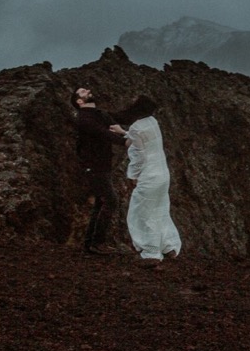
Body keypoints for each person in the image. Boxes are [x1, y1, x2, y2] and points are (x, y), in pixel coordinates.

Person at [115, 95, 183, 262]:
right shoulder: (152, 121)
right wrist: (124, 132)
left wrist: (133, 176)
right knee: (160, 210)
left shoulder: (136, 127)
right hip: (162, 173)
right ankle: (169, 246)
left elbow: (138, 155)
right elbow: (141, 139)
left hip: (149, 176)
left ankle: (151, 253)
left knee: (141, 213)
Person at [72, 86, 127, 255]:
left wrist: (126, 133)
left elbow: (114, 126)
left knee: (101, 202)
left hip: (102, 165)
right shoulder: (84, 118)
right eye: (82, 92)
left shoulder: (99, 114)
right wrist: (126, 141)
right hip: (93, 166)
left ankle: (91, 243)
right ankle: (97, 243)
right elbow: (104, 133)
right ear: (79, 101)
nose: (88, 90)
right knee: (110, 201)